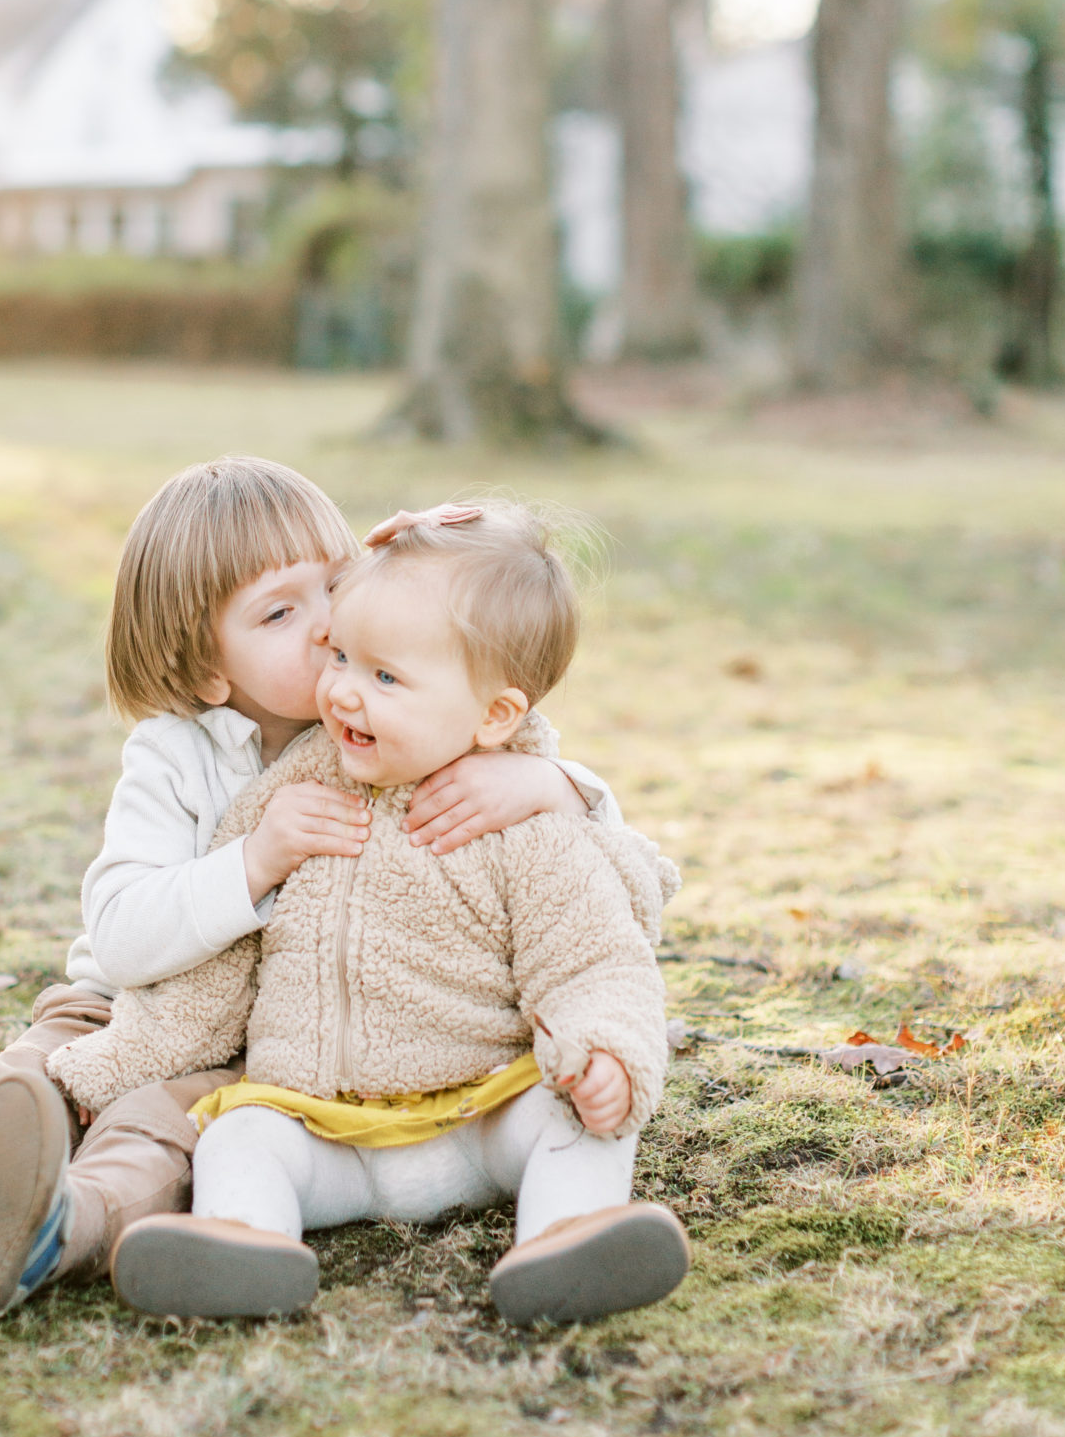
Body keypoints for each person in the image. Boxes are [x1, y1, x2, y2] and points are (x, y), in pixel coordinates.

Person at [0, 460, 615, 1312]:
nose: (331, 626)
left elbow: (571, 848)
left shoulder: (389, 718)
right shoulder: (174, 755)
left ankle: (45, 1236)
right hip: (111, 1007)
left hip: (245, 1048)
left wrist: (553, 785)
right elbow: (124, 930)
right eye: (279, 615)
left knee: (151, 1142)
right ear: (206, 668)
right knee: (14, 1102)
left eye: (334, 587)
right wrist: (254, 861)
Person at [40, 504, 688, 1327]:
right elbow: (219, 973)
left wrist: (609, 1053)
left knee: (580, 1119)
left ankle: (568, 1237)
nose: (340, 687)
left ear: (494, 716)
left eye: (383, 677)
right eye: (340, 654)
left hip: (483, 1109)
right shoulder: (292, 796)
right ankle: (241, 1244)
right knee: (239, 1136)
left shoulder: (524, 817)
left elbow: (594, 957)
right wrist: (122, 1059)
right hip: (324, 1123)